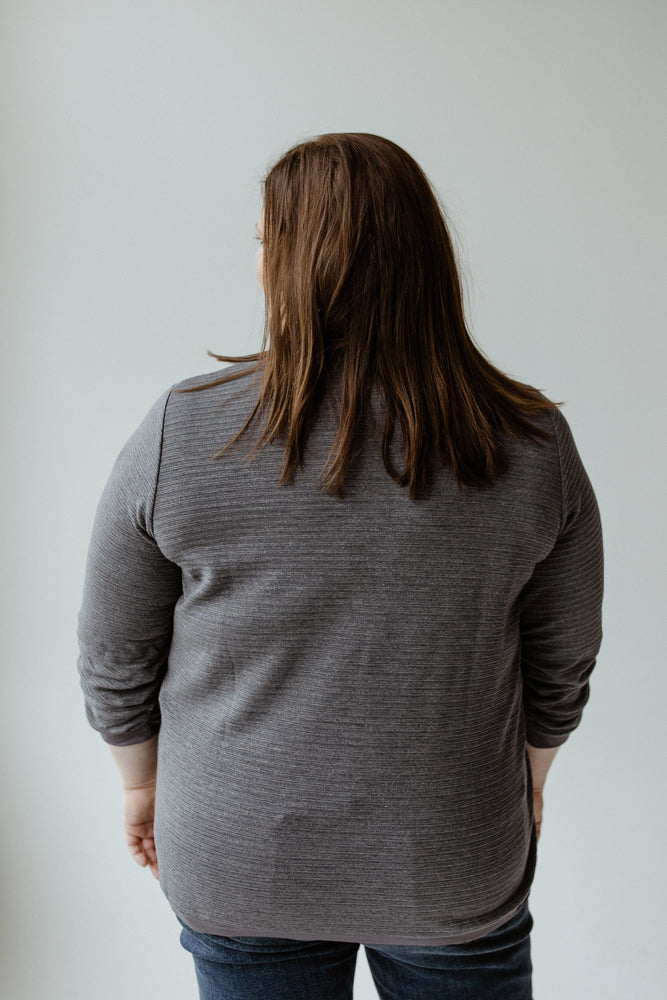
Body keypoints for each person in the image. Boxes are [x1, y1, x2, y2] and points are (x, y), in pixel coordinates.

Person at [76, 132, 604, 1000]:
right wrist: (528, 784)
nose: (256, 260)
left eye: (261, 241)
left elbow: (113, 653)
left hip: (239, 850)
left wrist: (141, 787)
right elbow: (562, 657)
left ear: (291, 262)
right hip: (451, 848)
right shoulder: (532, 443)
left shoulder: (183, 430)